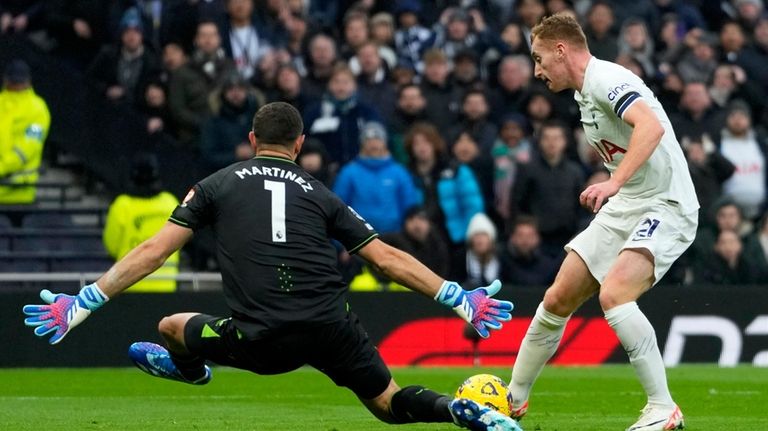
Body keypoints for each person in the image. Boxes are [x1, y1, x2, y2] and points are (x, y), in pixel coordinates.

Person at [22, 102, 520, 431]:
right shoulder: (320, 193)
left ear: (251, 138)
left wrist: (84, 302)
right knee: (388, 404)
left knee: (170, 326)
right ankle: (454, 409)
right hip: (331, 326)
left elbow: (155, 251)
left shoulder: (216, 184)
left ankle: (193, 373)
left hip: (264, 337)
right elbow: (385, 258)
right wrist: (458, 297)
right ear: (299, 144)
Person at [508, 14, 698, 431]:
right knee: (557, 299)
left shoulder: (607, 79)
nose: (536, 71)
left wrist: (613, 180)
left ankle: (663, 409)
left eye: (539, 59)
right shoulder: (582, 94)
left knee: (615, 295)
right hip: (629, 201)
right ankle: (512, 401)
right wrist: (619, 186)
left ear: (562, 50)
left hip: (666, 203)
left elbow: (648, 127)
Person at [103, 153, 180, 293]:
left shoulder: (122, 205)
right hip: (166, 285)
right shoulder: (170, 203)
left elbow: (111, 246)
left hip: (129, 283)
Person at [0, 59, 51, 204]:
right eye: (14, 81)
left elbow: (28, 146)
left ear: (28, 81)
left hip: (19, 191)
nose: (17, 85)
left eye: (20, 81)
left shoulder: (38, 108)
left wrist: (2, 167)